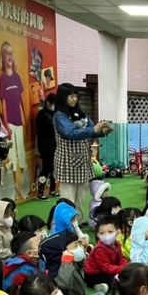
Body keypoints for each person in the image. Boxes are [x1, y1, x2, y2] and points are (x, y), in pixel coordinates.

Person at [53, 83, 112, 218]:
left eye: (76, 96)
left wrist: (104, 129)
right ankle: (68, 223)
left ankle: (78, 221)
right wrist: (93, 129)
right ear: (63, 97)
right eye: (71, 96)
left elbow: (93, 130)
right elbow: (70, 133)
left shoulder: (81, 114)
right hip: (67, 161)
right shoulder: (60, 116)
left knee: (81, 195)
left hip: (82, 161)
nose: (75, 99)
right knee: (68, 196)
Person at [0, 41, 28, 198]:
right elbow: (3, 103)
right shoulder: (2, 78)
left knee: (21, 154)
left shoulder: (17, 77)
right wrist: (6, 125)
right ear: (2, 57)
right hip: (9, 124)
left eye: (11, 53)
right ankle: (13, 191)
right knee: (11, 155)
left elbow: (21, 101)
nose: (9, 56)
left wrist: (23, 120)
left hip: (19, 122)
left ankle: (22, 189)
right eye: (6, 53)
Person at [84, 216, 129, 287]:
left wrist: (125, 265)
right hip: (93, 274)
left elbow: (120, 259)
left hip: (106, 270)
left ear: (118, 232)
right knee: (114, 279)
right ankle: (99, 286)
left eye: (110, 232)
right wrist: (123, 268)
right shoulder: (100, 249)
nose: (106, 235)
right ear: (98, 235)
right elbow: (106, 268)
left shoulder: (118, 244)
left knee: (124, 274)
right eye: (102, 233)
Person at [35, 96, 57, 200]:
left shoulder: (53, 114)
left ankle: (52, 190)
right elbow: (45, 130)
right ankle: (40, 192)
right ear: (47, 102)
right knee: (46, 168)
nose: (53, 105)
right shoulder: (42, 114)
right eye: (52, 103)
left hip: (54, 144)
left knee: (54, 168)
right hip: (45, 145)